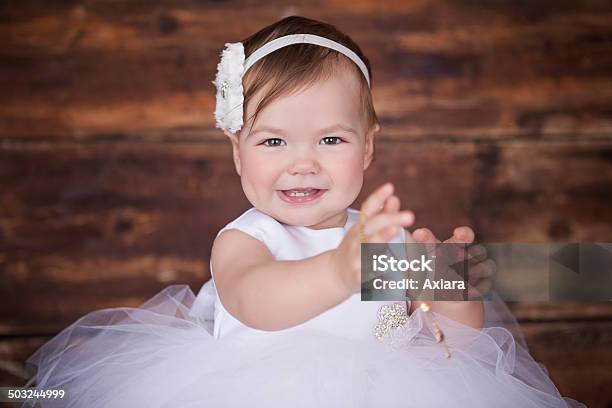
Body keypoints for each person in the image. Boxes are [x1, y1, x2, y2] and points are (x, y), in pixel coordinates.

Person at [22, 15, 585, 408]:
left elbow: (458, 353)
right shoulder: (247, 240)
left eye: (331, 141)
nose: (303, 164)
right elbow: (259, 301)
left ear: (367, 146)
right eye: (273, 143)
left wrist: (452, 294)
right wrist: (341, 271)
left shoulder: (380, 240)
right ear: (236, 151)